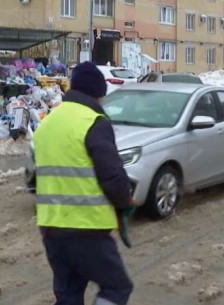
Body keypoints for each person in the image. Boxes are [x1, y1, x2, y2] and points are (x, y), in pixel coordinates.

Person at [33, 61, 135, 305]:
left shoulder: (48, 122)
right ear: (98, 93)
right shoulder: (94, 121)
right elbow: (112, 175)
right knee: (117, 287)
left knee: (68, 296)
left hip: (50, 228)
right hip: (86, 229)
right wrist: (125, 200)